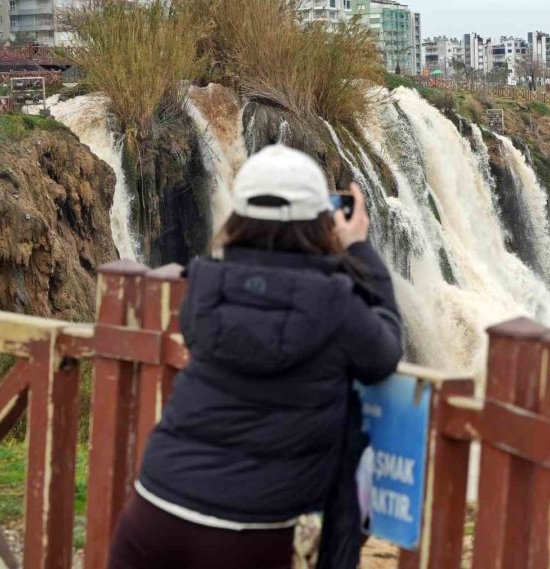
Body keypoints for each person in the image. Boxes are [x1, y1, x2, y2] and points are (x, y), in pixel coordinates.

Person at [108, 144, 403, 569]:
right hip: (251, 531)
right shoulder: (336, 304)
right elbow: (385, 353)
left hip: (155, 511)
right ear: (321, 220)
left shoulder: (205, 285)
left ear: (239, 215)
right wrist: (358, 248)